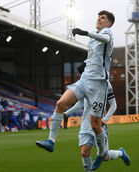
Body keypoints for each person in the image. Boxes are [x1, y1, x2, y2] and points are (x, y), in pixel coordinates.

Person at [36, 10, 115, 169]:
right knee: (60, 103)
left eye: (103, 18)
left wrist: (85, 33)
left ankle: (101, 153)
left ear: (109, 23)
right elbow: (94, 57)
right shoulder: (94, 35)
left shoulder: (108, 34)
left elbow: (105, 39)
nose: (99, 19)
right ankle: (51, 142)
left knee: (95, 124)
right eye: (98, 17)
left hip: (99, 84)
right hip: (85, 80)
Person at [65, 81, 130, 171]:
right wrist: (67, 113)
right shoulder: (86, 80)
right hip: (85, 126)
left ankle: (120, 153)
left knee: (104, 157)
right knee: (84, 152)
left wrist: (105, 119)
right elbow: (81, 103)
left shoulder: (106, 83)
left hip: (98, 126)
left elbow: (113, 105)